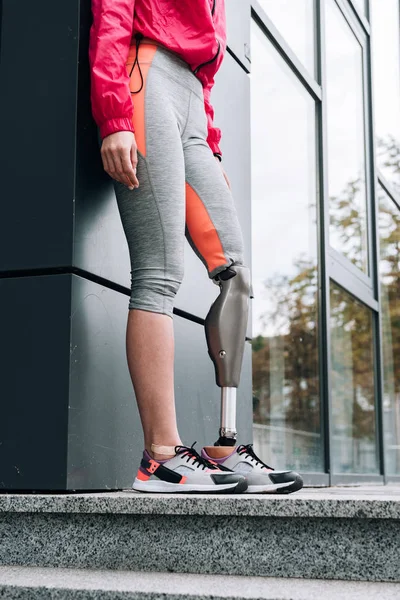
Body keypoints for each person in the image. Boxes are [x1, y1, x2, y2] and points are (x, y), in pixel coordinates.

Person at [89, 0, 303, 494]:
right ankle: (161, 457)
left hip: (191, 100)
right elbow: (113, 15)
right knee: (159, 272)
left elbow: (206, 75)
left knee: (237, 276)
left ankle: (225, 447)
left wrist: (211, 144)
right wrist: (114, 116)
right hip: (145, 77)